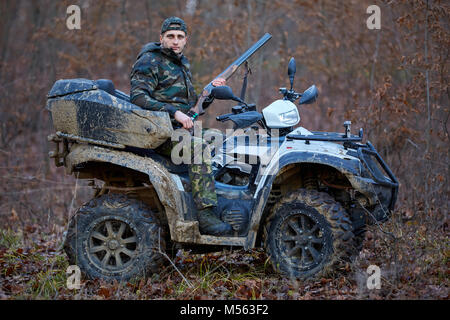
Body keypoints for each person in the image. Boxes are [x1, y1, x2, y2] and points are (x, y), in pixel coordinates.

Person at [129, 16, 232, 236]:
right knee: (198, 148)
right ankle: (205, 215)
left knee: (220, 138)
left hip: (179, 130)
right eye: (170, 37)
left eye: (180, 37)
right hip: (157, 134)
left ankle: (222, 197)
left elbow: (192, 108)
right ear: (161, 38)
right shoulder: (149, 60)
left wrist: (210, 93)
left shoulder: (181, 63)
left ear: (186, 40)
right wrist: (173, 112)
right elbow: (137, 97)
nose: (175, 41)